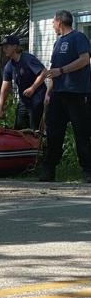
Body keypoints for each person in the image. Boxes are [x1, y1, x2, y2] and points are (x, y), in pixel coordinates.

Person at [40, 10, 91, 183]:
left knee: (82, 133)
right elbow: (53, 72)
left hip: (77, 94)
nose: (53, 25)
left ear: (59, 21)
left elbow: (85, 60)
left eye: (53, 22)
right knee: (54, 133)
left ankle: (88, 171)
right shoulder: (57, 43)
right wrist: (48, 93)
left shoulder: (78, 37)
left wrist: (62, 70)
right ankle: (49, 171)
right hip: (58, 95)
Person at [0, 35, 47, 131]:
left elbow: (44, 72)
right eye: (3, 47)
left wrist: (33, 88)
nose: (4, 49)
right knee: (19, 129)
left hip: (37, 99)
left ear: (15, 47)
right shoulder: (9, 66)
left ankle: (39, 144)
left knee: (35, 130)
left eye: (6, 47)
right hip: (24, 101)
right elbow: (4, 89)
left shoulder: (28, 59)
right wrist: (0, 108)